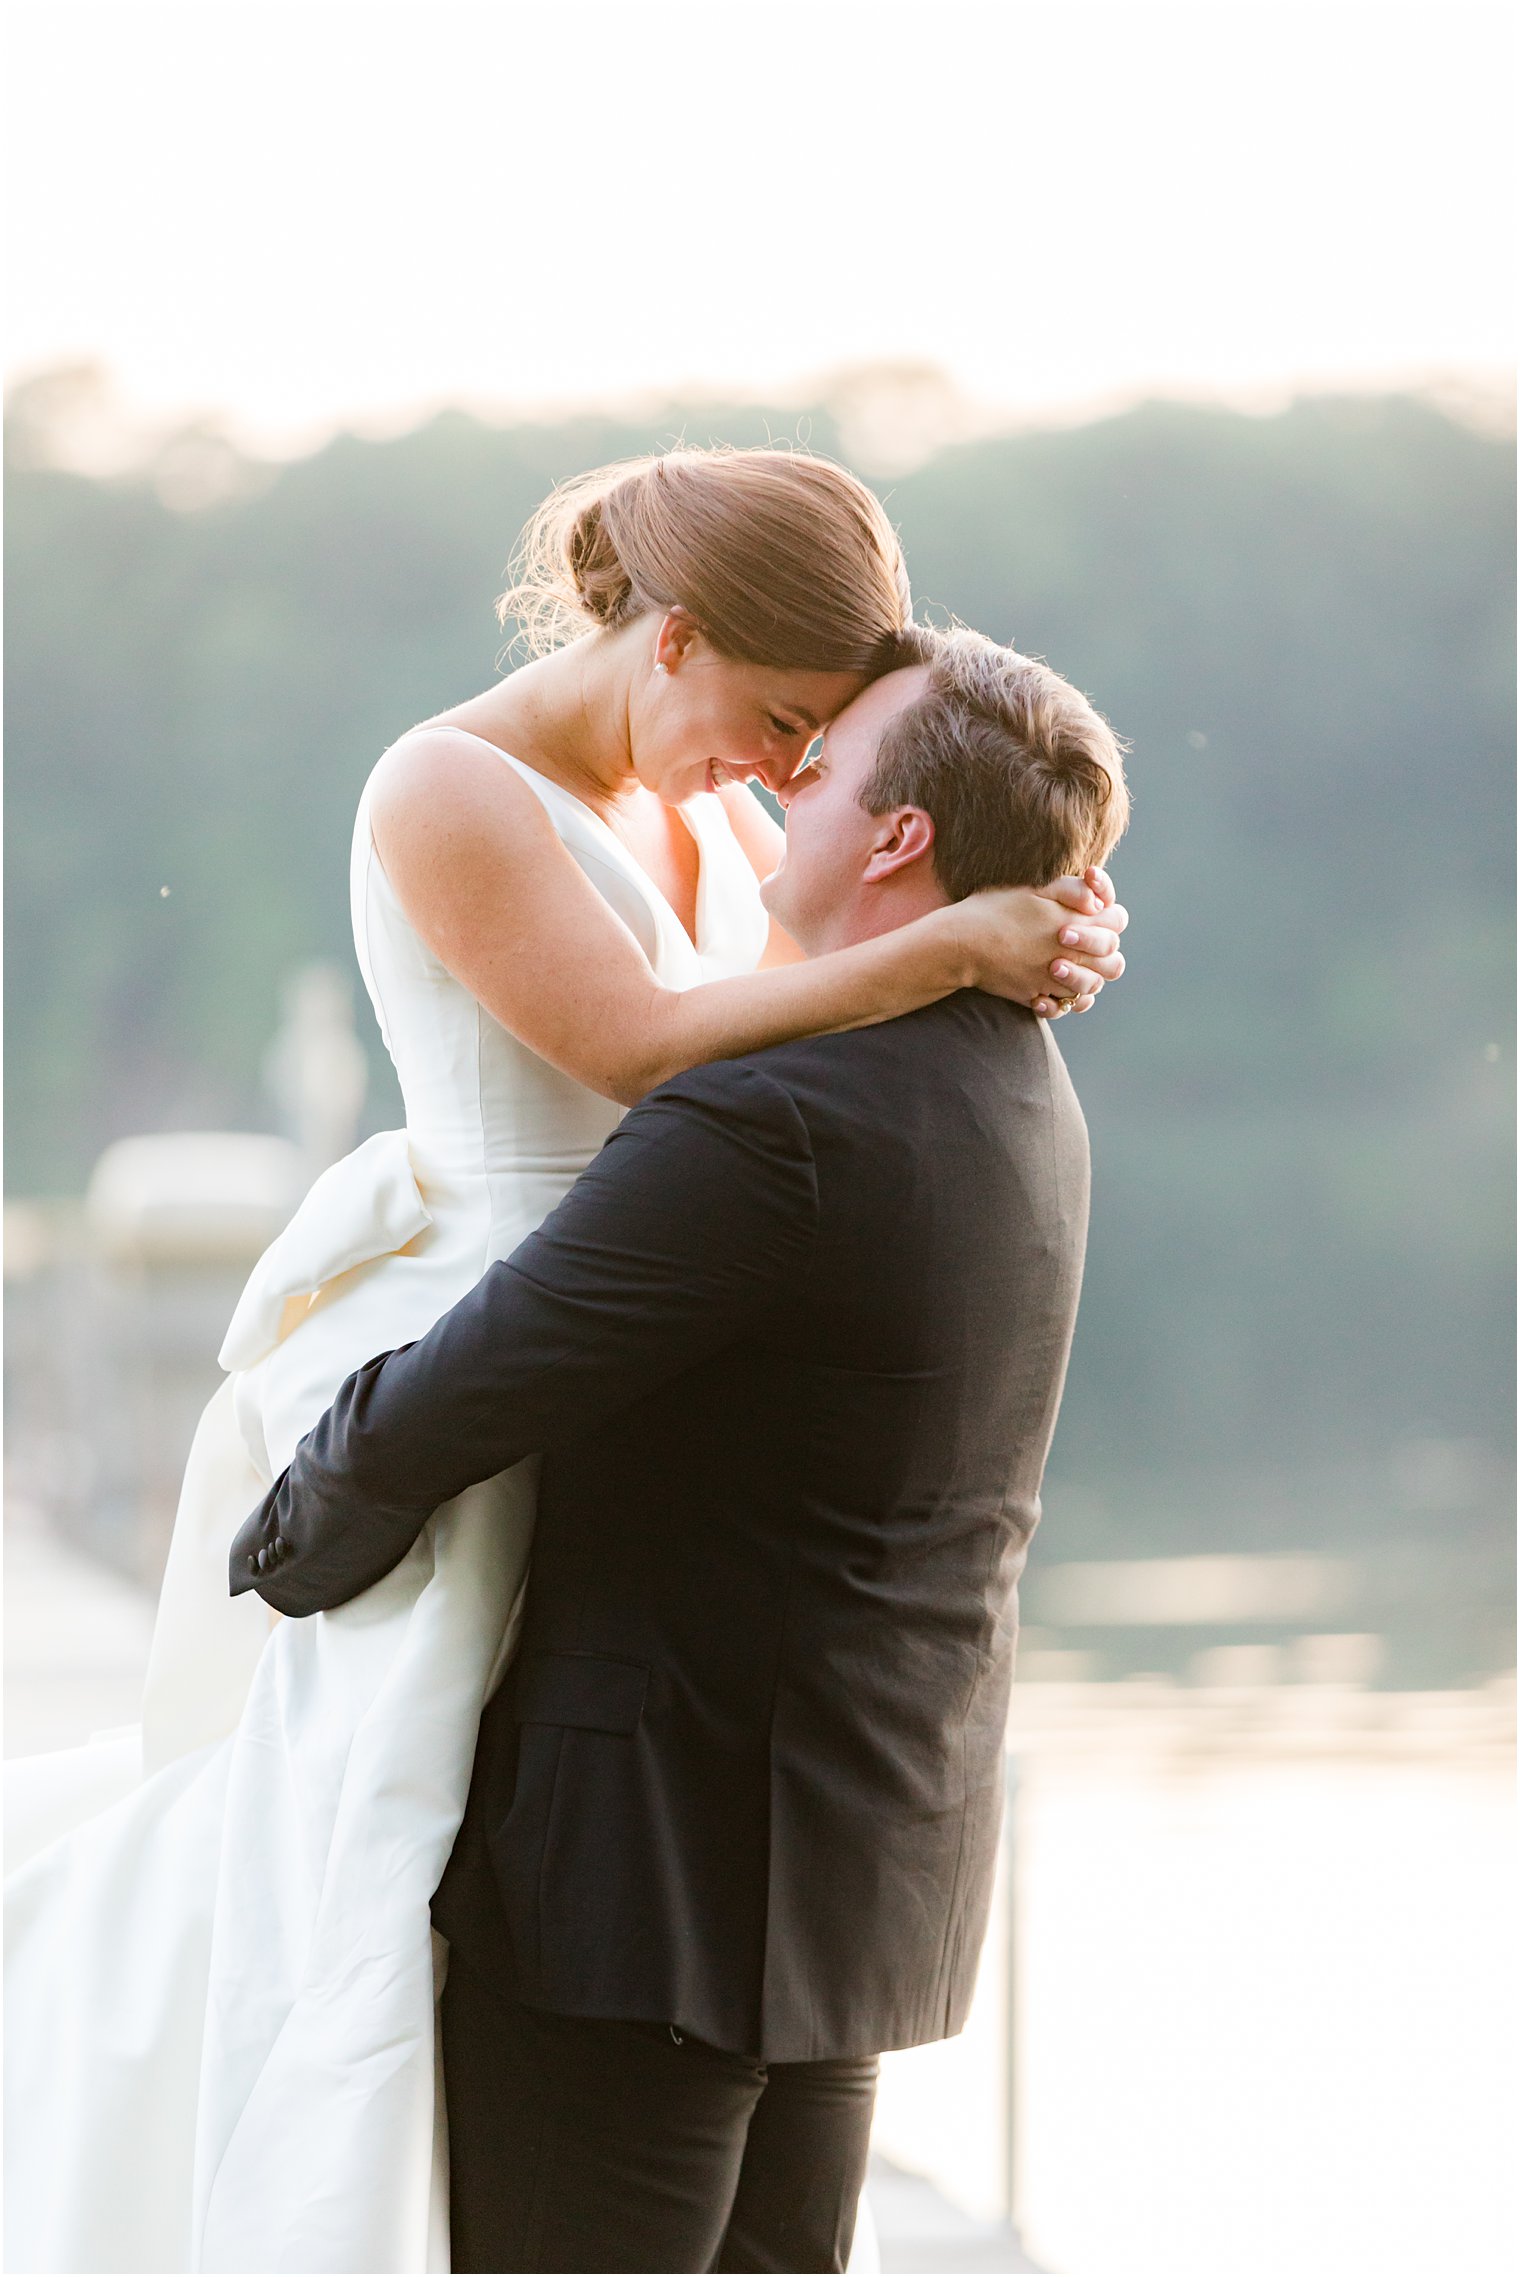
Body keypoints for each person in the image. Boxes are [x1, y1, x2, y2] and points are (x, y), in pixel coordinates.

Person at [3, 446, 1126, 2275]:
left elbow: (791, 995)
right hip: (525, 1342)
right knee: (338, 1887)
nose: (779, 773)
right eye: (775, 721)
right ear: (671, 638)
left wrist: (1017, 910)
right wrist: (956, 948)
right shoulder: (450, 784)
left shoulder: (721, 843)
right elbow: (641, 1044)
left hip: (609, 1376)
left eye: (814, 747)